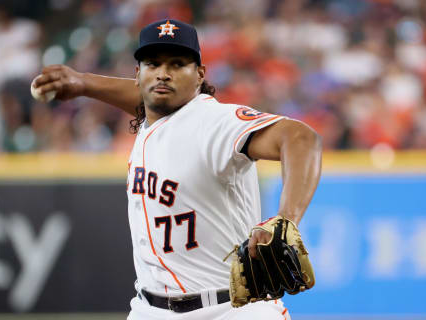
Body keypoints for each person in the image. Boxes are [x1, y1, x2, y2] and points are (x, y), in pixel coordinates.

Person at [33, 19, 322, 320]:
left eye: (177, 64)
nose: (163, 74)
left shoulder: (214, 122)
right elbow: (148, 95)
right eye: (153, 64)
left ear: (199, 75)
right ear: (138, 74)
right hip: (150, 309)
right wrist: (83, 83)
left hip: (230, 310)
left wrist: (287, 218)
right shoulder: (154, 115)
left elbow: (302, 138)